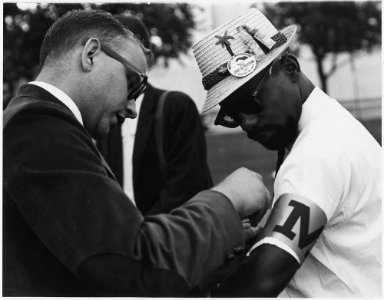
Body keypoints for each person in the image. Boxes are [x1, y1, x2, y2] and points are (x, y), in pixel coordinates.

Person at [3, 9, 272, 297]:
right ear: (91, 54)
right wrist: (228, 200)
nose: (133, 108)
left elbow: (102, 253)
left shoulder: (30, 120)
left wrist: (219, 238)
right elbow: (133, 264)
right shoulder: (39, 126)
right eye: (132, 85)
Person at [192, 8, 381, 297]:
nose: (247, 122)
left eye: (251, 102)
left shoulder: (319, 150)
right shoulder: (328, 125)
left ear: (290, 68)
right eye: (231, 114)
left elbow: (262, 278)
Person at [98, 15, 213, 214]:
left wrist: (145, 231)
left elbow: (186, 185)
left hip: (168, 235)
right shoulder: (104, 115)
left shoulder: (175, 107)